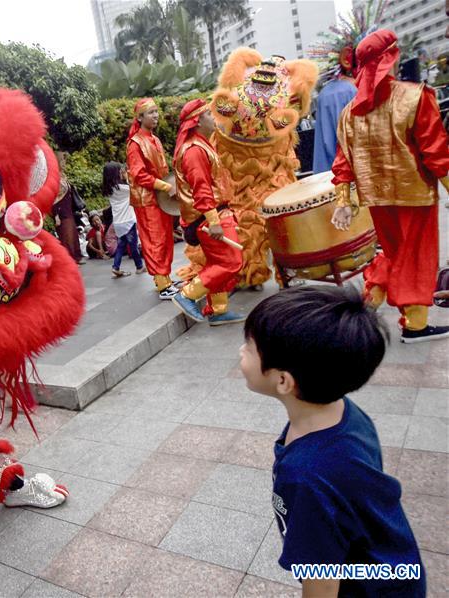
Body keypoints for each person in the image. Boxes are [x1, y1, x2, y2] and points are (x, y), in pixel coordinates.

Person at [240, 286, 425, 597]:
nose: (241, 351)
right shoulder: (346, 414)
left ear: (284, 381)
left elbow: (323, 580)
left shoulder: (307, 476)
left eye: (249, 346)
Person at [331, 29, 449, 343]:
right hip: (415, 195)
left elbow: (343, 163)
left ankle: (369, 301)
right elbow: (436, 153)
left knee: (394, 252)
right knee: (416, 257)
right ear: (390, 58)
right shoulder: (415, 96)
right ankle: (415, 324)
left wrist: (344, 200)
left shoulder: (349, 114)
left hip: (377, 199)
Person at [170, 100, 245, 326]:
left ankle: (218, 310)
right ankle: (187, 294)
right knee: (231, 262)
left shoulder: (201, 145)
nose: (214, 118)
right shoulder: (193, 151)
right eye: (209, 115)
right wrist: (213, 220)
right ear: (197, 121)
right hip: (208, 216)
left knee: (218, 261)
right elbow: (201, 188)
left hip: (212, 213)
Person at [126, 97, 179, 299]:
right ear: (140, 118)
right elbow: (139, 175)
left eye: (156, 111)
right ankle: (162, 283)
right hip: (147, 199)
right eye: (151, 113)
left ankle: (165, 278)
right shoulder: (135, 143)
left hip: (161, 198)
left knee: (165, 238)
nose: (156, 115)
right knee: (155, 240)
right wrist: (166, 186)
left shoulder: (154, 140)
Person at [312, 54, 357, 174]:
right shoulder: (351, 89)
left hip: (330, 169)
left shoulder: (323, 94)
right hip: (353, 166)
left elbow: (324, 139)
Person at [102, 162, 146, 278]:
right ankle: (139, 266)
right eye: (120, 171)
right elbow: (136, 188)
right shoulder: (123, 188)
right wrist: (127, 177)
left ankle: (115, 267)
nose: (122, 172)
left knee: (121, 245)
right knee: (133, 245)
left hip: (118, 223)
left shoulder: (110, 190)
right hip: (128, 220)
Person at [52, 153, 87, 265]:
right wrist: (56, 215)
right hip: (61, 210)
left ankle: (76, 256)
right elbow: (54, 197)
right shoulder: (55, 178)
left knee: (73, 233)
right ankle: (69, 259)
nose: (64, 163)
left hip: (68, 209)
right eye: (62, 161)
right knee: (66, 235)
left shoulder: (63, 176)